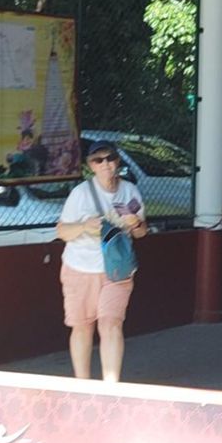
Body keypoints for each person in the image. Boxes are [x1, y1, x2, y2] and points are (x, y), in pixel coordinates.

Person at [57, 143, 147, 383]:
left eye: (110, 158)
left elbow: (141, 233)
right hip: (81, 267)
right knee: (82, 326)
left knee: (111, 325)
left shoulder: (130, 191)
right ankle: (83, 385)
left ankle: (110, 387)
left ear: (117, 161)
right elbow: (62, 231)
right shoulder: (81, 194)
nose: (106, 164)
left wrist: (136, 223)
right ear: (91, 166)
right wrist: (84, 227)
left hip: (117, 269)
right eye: (98, 160)